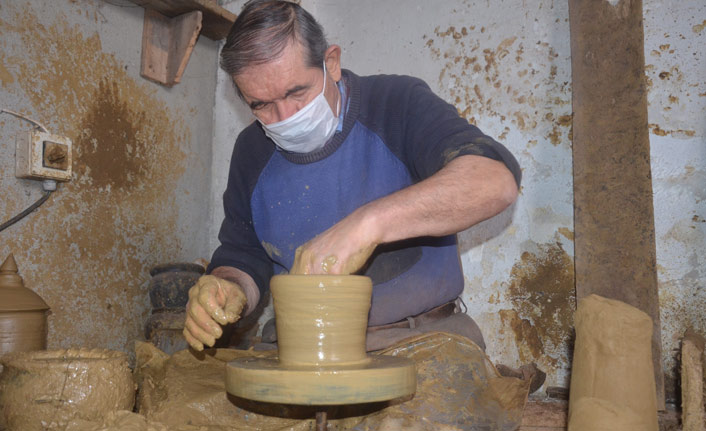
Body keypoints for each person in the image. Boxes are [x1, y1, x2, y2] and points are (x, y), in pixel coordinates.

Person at [183, 0, 521, 353]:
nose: (284, 116)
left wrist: (367, 225)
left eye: (297, 92)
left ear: (331, 63)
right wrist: (226, 287)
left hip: (421, 340)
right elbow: (243, 254)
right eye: (261, 105)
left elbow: (493, 180)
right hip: (299, 346)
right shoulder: (251, 150)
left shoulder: (395, 103)